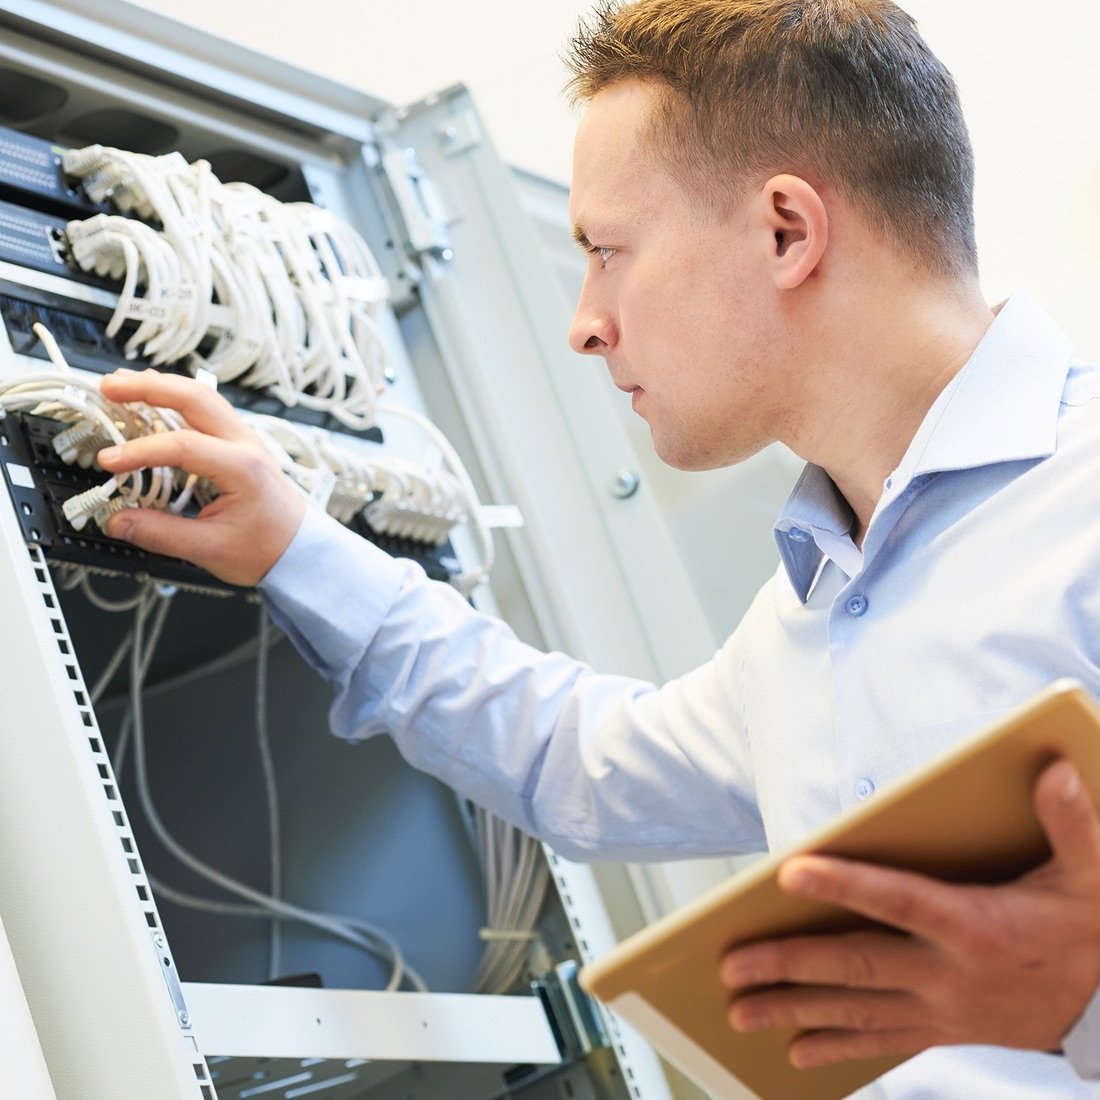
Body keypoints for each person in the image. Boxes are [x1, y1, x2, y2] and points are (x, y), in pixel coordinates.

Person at [92, 0, 1100, 1095]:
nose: (582, 320)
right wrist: (295, 544)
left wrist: (1079, 1006)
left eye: (606, 251)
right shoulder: (807, 615)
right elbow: (575, 758)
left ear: (785, 231)